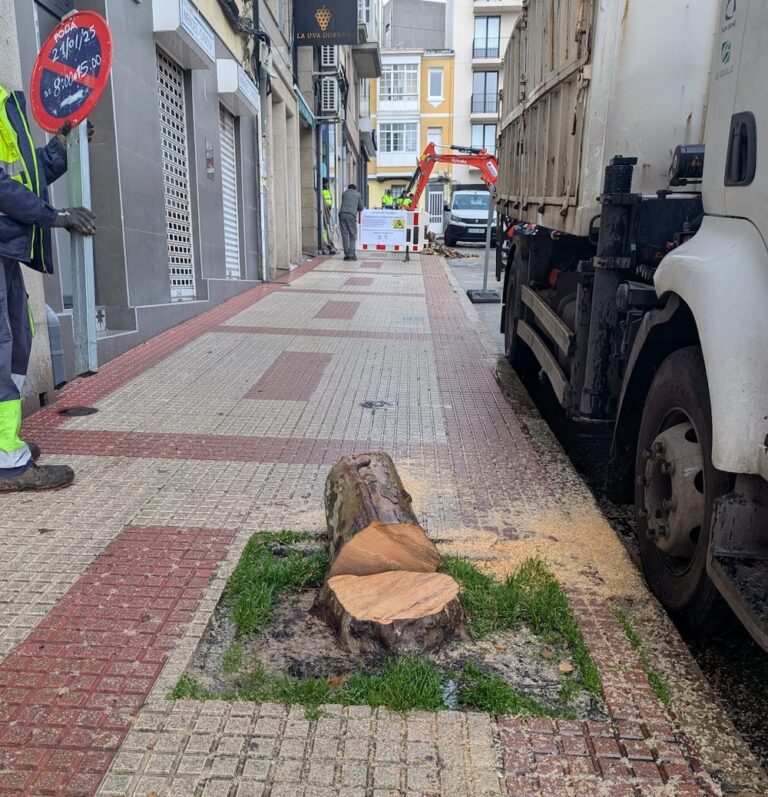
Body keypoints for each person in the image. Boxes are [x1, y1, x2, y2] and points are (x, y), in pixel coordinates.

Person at [0, 86, 96, 492]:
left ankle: (6, 444)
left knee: (20, 340)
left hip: (4, 247)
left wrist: (59, 148)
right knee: (1, 345)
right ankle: (8, 465)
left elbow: (21, 173)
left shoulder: (5, 100)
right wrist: (53, 216)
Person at [338, 183, 364, 261]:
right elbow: (361, 207)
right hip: (351, 215)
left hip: (342, 214)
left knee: (345, 235)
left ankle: (346, 254)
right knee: (352, 235)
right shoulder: (357, 195)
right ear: (355, 189)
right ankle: (351, 255)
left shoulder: (344, 193)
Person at [321, 178, 337, 255]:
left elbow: (329, 199)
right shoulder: (322, 190)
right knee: (324, 226)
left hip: (328, 209)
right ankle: (326, 242)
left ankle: (328, 241)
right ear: (323, 183)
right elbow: (323, 200)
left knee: (327, 225)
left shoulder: (326, 189)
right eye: (326, 183)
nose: (327, 184)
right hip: (324, 210)